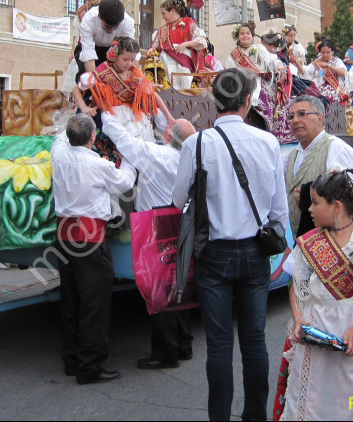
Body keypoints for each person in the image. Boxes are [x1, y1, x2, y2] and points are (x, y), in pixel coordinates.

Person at [173, 68, 289, 421]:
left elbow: (179, 201)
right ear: (247, 101)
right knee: (254, 341)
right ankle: (255, 416)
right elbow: (279, 210)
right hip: (256, 252)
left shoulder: (196, 143)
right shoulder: (268, 142)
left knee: (219, 345)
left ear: (213, 101)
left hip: (213, 253)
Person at [280, 169, 353, 421]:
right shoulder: (309, 243)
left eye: (315, 203)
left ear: (337, 206)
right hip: (315, 328)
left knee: (352, 395)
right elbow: (296, 288)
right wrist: (299, 318)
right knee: (312, 395)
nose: (309, 209)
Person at [101, 111, 197, 370]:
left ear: (167, 135)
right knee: (180, 283)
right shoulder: (192, 158)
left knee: (159, 288)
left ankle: (166, 353)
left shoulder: (156, 155)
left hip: (156, 223)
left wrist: (106, 113)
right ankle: (183, 344)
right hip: (182, 221)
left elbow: (122, 139)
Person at [50, 113, 137, 385]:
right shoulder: (98, 164)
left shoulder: (59, 154)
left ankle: (72, 359)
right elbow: (125, 182)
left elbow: (60, 138)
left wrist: (80, 115)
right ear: (93, 137)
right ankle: (90, 366)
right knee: (94, 304)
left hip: (64, 238)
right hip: (89, 240)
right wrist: (131, 159)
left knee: (71, 299)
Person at [74, 37, 174, 166]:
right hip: (110, 116)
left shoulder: (134, 73)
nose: (129, 63)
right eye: (125, 59)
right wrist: (83, 107)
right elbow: (76, 89)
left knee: (143, 146)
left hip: (131, 116)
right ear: (115, 55)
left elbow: (152, 94)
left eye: (132, 60)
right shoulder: (103, 72)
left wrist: (169, 116)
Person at [283, 95, 353, 239]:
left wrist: (311, 199)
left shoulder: (337, 149)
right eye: (291, 116)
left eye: (302, 114)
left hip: (335, 243)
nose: (295, 120)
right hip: (303, 241)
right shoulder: (291, 156)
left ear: (320, 119)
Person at [224, 23, 287, 139]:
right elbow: (228, 70)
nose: (245, 36)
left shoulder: (259, 48)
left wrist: (278, 65)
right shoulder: (234, 55)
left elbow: (272, 59)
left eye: (248, 33)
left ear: (252, 36)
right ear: (237, 36)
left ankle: (269, 135)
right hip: (241, 84)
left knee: (265, 105)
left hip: (258, 83)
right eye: (242, 34)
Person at [147, 0, 207, 90]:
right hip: (166, 63)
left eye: (163, 13)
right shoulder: (163, 29)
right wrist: (151, 50)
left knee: (184, 84)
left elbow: (202, 41)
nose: (162, 16)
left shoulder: (188, 23)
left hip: (184, 62)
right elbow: (155, 46)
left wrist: (185, 44)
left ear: (173, 12)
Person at [62, 0, 108, 94]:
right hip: (84, 48)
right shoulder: (82, 10)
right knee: (82, 76)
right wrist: (72, 51)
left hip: (102, 49)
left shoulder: (107, 8)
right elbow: (77, 32)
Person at [78, 0, 135, 76]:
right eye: (107, 27)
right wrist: (93, 82)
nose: (111, 31)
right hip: (92, 46)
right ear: (99, 16)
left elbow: (130, 51)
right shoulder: (89, 19)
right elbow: (88, 52)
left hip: (112, 49)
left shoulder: (127, 22)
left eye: (115, 28)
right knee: (85, 77)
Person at [299, 38, 349, 107]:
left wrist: (329, 66)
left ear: (332, 52)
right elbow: (306, 72)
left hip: (334, 87)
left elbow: (343, 73)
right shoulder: (317, 62)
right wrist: (297, 64)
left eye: (328, 52)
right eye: (323, 52)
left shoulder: (336, 61)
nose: (325, 55)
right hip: (318, 86)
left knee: (330, 96)